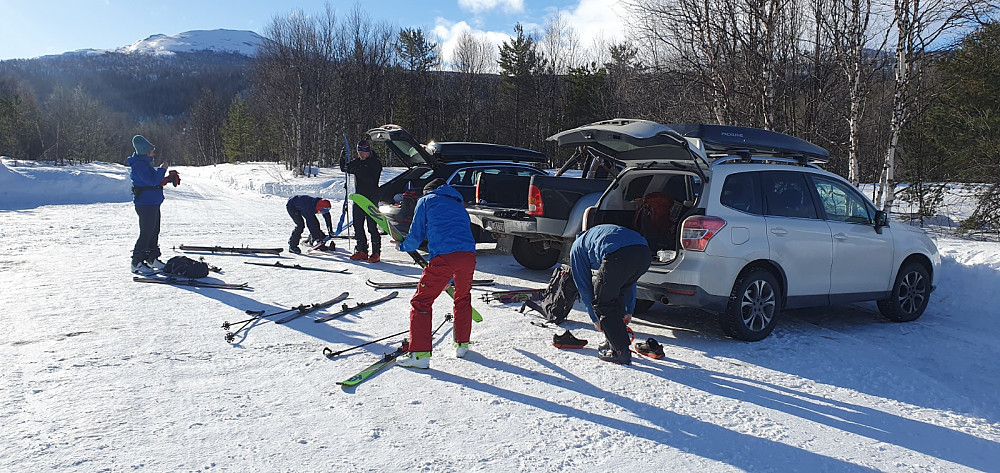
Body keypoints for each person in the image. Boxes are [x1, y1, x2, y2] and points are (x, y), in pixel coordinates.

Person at [395, 178, 477, 369]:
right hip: (468, 256)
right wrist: (447, 277)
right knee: (462, 298)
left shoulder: (427, 200)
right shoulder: (458, 204)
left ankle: (420, 355)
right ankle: (462, 345)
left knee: (421, 302)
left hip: (444, 257)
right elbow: (455, 235)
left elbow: (416, 237)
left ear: (427, 191)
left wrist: (401, 246)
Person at [570, 224, 651, 365]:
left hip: (618, 255)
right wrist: (628, 310)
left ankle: (620, 353)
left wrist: (595, 318)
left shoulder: (577, 248)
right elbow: (628, 283)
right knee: (615, 293)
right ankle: (612, 340)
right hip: (644, 253)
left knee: (603, 304)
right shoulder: (599, 235)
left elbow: (584, 287)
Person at [128, 134, 179, 274]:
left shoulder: (144, 164)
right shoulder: (139, 165)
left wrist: (167, 179)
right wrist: (163, 169)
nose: (153, 152)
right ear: (145, 151)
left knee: (154, 231)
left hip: (152, 203)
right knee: (146, 233)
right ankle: (137, 262)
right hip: (145, 204)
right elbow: (152, 181)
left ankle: (152, 258)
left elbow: (154, 180)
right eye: (151, 149)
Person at [340, 139, 382, 263]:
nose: (361, 155)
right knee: (357, 225)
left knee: (371, 227)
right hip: (359, 197)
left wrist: (358, 170)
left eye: (364, 152)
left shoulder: (375, 163)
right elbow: (345, 168)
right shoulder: (358, 162)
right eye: (359, 152)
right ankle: (362, 250)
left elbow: (371, 179)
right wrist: (343, 158)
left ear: (369, 151)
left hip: (371, 198)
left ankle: (376, 252)